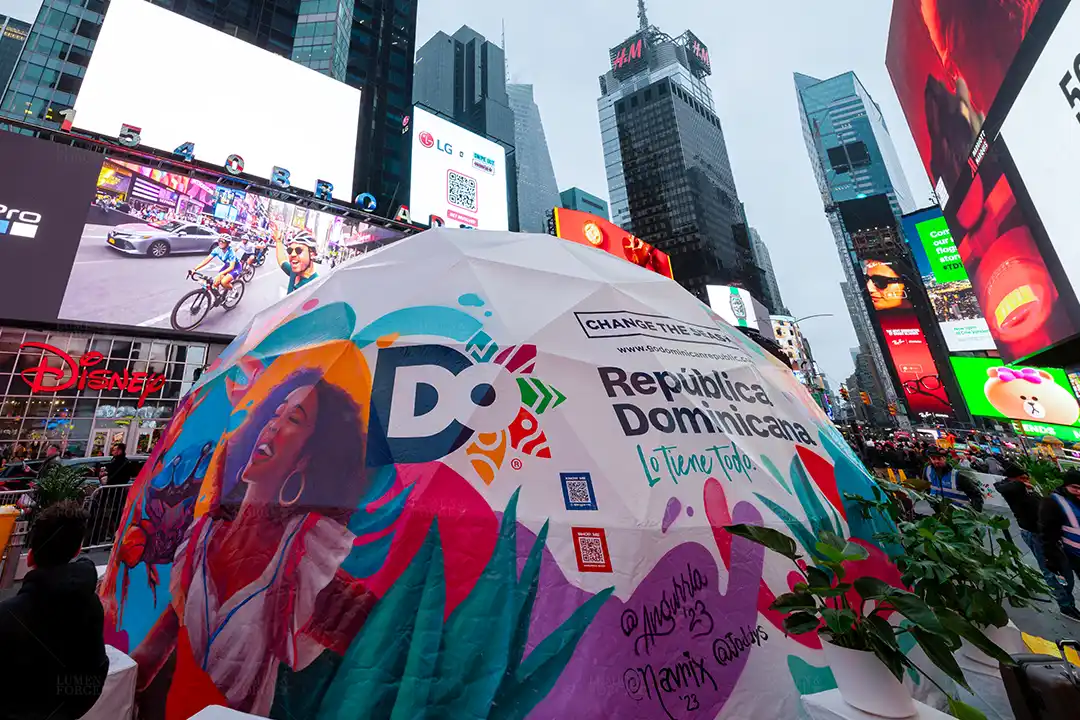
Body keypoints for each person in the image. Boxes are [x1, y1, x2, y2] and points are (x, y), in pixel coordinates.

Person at [130, 370, 374, 717]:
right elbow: (149, 654)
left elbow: (383, 646)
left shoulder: (304, 558)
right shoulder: (201, 538)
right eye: (274, 413)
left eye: (294, 419)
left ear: (310, 456)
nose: (272, 425)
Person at [0, 501, 109, 719]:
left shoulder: (8, 615)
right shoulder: (90, 604)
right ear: (78, 549)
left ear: (29, 557)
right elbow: (95, 672)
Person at [996, 462, 1079, 620]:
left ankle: (1066, 599)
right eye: (1023, 477)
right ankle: (1066, 606)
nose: (1027, 480)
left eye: (1027, 477)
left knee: (1066, 571)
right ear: (1013, 479)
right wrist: (1020, 484)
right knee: (1053, 572)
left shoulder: (1031, 490)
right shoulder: (1014, 490)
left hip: (1051, 535)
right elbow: (1005, 487)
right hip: (1035, 535)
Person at [1041, 470, 1080, 588]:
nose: (1079, 492)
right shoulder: (1053, 503)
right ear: (1065, 485)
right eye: (1075, 488)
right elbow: (1048, 535)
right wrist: (1051, 559)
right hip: (1076, 556)